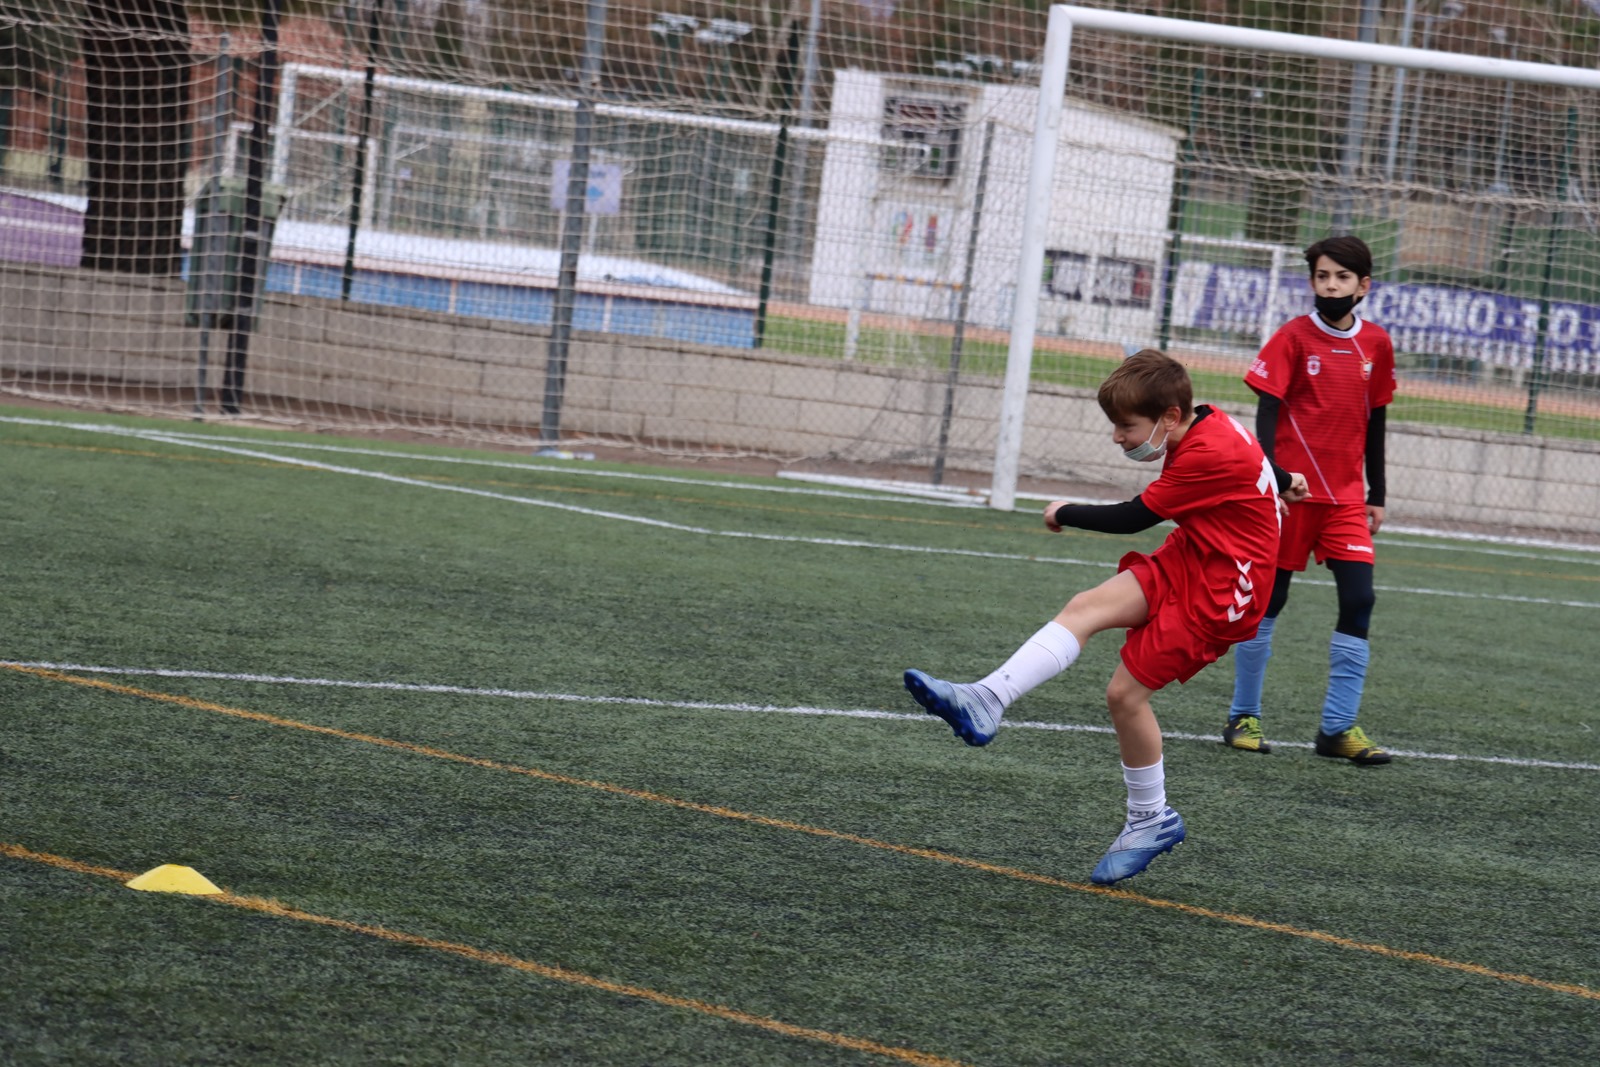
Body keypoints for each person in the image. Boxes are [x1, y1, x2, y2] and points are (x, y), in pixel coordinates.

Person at [904, 350, 1306, 885]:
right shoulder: (1208, 418)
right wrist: (1284, 478)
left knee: (1124, 696)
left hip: (1225, 592)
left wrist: (1063, 511)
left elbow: (1133, 518)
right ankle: (986, 699)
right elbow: (1253, 459)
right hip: (1195, 555)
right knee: (1085, 607)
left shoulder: (1207, 450)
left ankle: (1151, 818)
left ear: (1169, 416)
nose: (1117, 437)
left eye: (1126, 426)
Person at [1223, 235, 1397, 765]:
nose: (1331, 286)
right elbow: (1267, 412)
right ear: (1312, 282)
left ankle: (1337, 729)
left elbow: (1376, 420)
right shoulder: (1292, 338)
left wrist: (1377, 492)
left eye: (1342, 278)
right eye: (1323, 276)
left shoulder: (1377, 344)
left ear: (1363, 286)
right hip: (1291, 498)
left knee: (1360, 599)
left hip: (1345, 501)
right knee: (1268, 602)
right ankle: (1243, 716)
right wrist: (1274, 477)